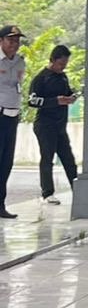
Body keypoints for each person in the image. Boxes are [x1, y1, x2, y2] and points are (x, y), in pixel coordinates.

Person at [28, 44, 77, 205]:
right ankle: (47, 192)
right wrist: (56, 101)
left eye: (65, 64)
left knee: (68, 158)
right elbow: (32, 100)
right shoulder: (41, 78)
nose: (63, 67)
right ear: (53, 60)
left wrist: (72, 96)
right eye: (61, 64)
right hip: (45, 124)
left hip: (60, 125)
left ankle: (77, 187)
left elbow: (68, 92)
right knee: (47, 157)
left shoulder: (63, 77)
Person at [0, 24, 26, 218]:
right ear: (1, 41)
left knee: (6, 162)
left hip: (12, 116)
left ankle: (0, 204)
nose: (14, 45)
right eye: (10, 40)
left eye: (17, 41)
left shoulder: (19, 62)